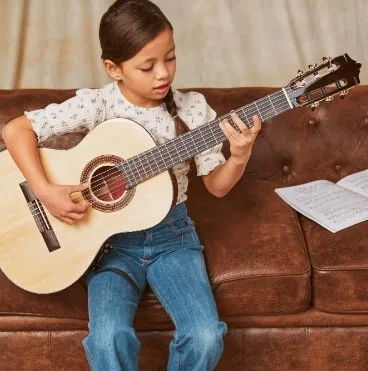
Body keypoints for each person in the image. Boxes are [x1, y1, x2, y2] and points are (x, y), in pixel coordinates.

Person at [2, 0, 261, 370]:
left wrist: (238, 155)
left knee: (205, 335)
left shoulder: (191, 110)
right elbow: (16, 130)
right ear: (114, 68)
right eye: (147, 65)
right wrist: (44, 191)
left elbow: (217, 187)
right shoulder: (97, 105)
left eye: (170, 59)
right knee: (108, 338)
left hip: (173, 237)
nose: (163, 74)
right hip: (109, 245)